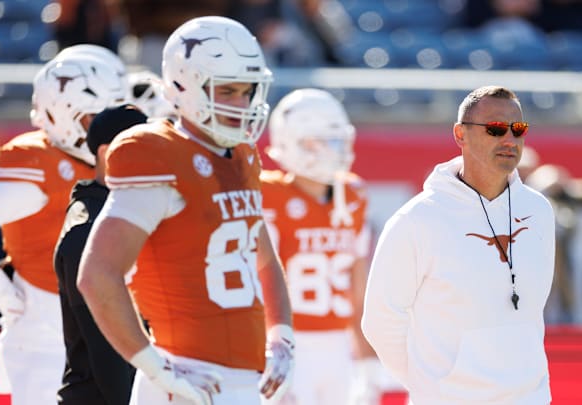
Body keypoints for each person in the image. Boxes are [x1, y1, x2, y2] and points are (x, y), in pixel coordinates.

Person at [77, 16, 294, 405]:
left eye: (248, 91)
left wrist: (282, 335)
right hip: (188, 378)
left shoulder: (242, 155)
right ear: (183, 85)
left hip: (243, 380)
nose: (241, 104)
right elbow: (97, 275)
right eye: (226, 90)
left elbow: (264, 258)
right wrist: (153, 366)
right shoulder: (156, 152)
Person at [361, 85, 555, 404]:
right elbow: (380, 320)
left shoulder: (538, 210)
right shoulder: (417, 219)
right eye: (494, 128)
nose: (509, 139)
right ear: (460, 135)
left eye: (517, 128)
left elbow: (533, 307)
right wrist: (432, 383)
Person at [0, 46, 126, 404]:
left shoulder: (108, 160)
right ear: (63, 115)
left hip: (102, 323)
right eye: (95, 117)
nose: (108, 129)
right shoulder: (39, 165)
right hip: (47, 332)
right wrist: (2, 293)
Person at [260, 88, 382, 405]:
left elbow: (357, 286)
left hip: (338, 347)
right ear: (290, 143)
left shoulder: (353, 193)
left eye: (336, 140)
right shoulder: (268, 193)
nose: (330, 150)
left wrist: (367, 362)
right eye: (317, 141)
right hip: (285, 342)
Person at [54, 104, 148, 405]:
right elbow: (106, 347)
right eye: (144, 147)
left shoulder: (127, 212)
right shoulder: (87, 228)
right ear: (109, 152)